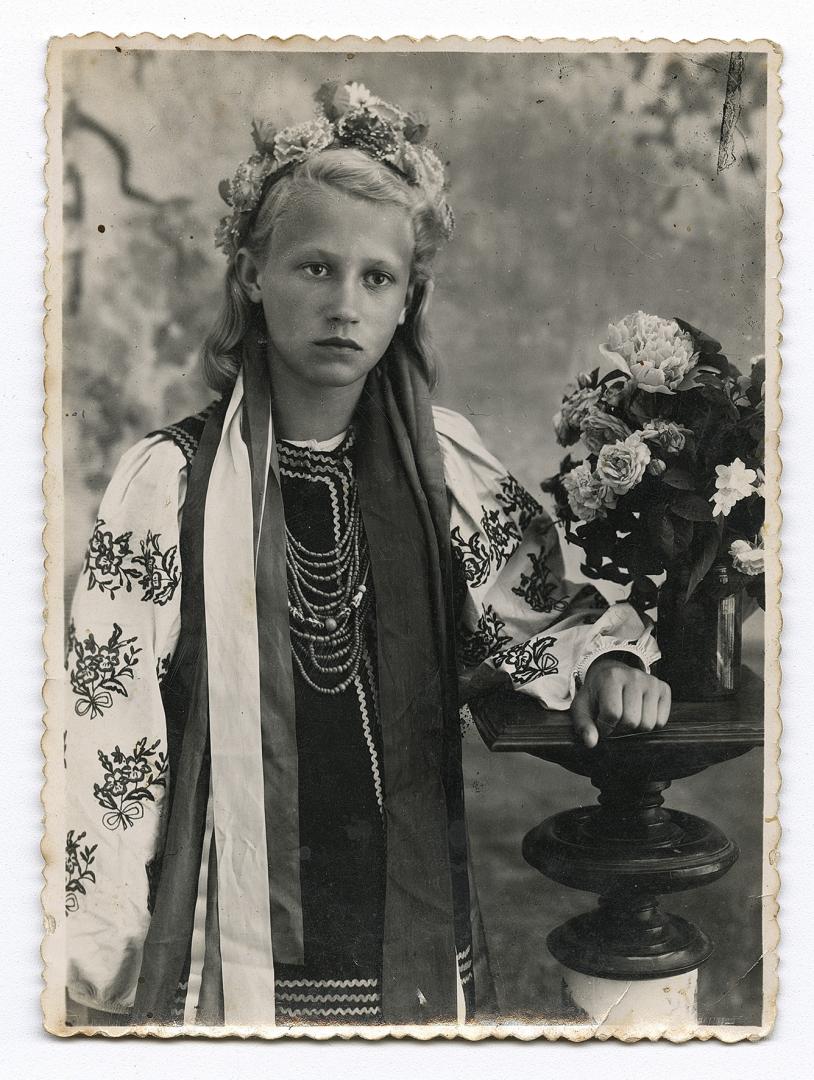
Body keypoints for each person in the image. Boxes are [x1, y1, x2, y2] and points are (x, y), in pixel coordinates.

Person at [63, 80, 670, 1029]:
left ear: (404, 302)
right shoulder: (169, 485)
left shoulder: (445, 474)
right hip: (236, 930)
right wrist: (99, 949)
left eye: (376, 278)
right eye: (314, 268)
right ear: (253, 278)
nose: (345, 303)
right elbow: (112, 741)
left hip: (408, 918)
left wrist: (609, 662)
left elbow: (538, 618)